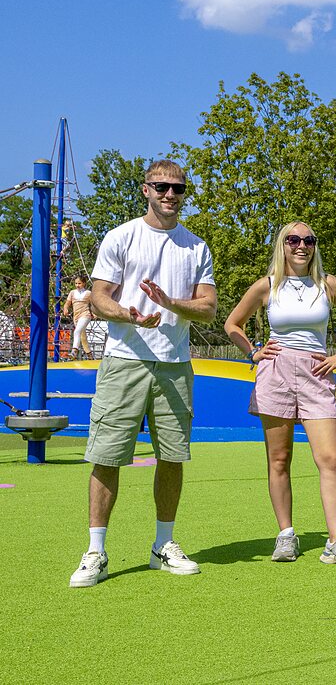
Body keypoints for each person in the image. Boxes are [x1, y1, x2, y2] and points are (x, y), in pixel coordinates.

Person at [70, 160, 217, 589]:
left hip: (174, 364)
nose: (170, 195)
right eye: (162, 187)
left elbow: (207, 308)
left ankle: (162, 546)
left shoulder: (196, 247)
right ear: (146, 190)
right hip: (124, 360)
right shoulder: (121, 237)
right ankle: (96, 551)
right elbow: (99, 298)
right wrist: (129, 315)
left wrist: (170, 303)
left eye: (178, 189)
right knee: (107, 454)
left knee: (172, 457)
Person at [224, 221, 336, 568]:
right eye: (293, 240)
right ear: (283, 245)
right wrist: (252, 352)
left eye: (308, 240)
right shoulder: (267, 286)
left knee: (330, 460)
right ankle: (286, 534)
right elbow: (233, 324)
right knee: (279, 460)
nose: (301, 246)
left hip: (316, 374)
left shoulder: (328, 284)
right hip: (275, 373)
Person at [62, 274, 94, 358]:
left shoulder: (88, 293)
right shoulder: (72, 293)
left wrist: (94, 313)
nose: (77, 285)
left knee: (77, 331)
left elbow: (94, 305)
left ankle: (74, 352)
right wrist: (65, 309)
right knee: (82, 336)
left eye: (79, 283)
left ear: (84, 283)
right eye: (76, 283)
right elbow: (67, 303)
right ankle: (90, 355)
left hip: (85, 315)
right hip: (76, 316)